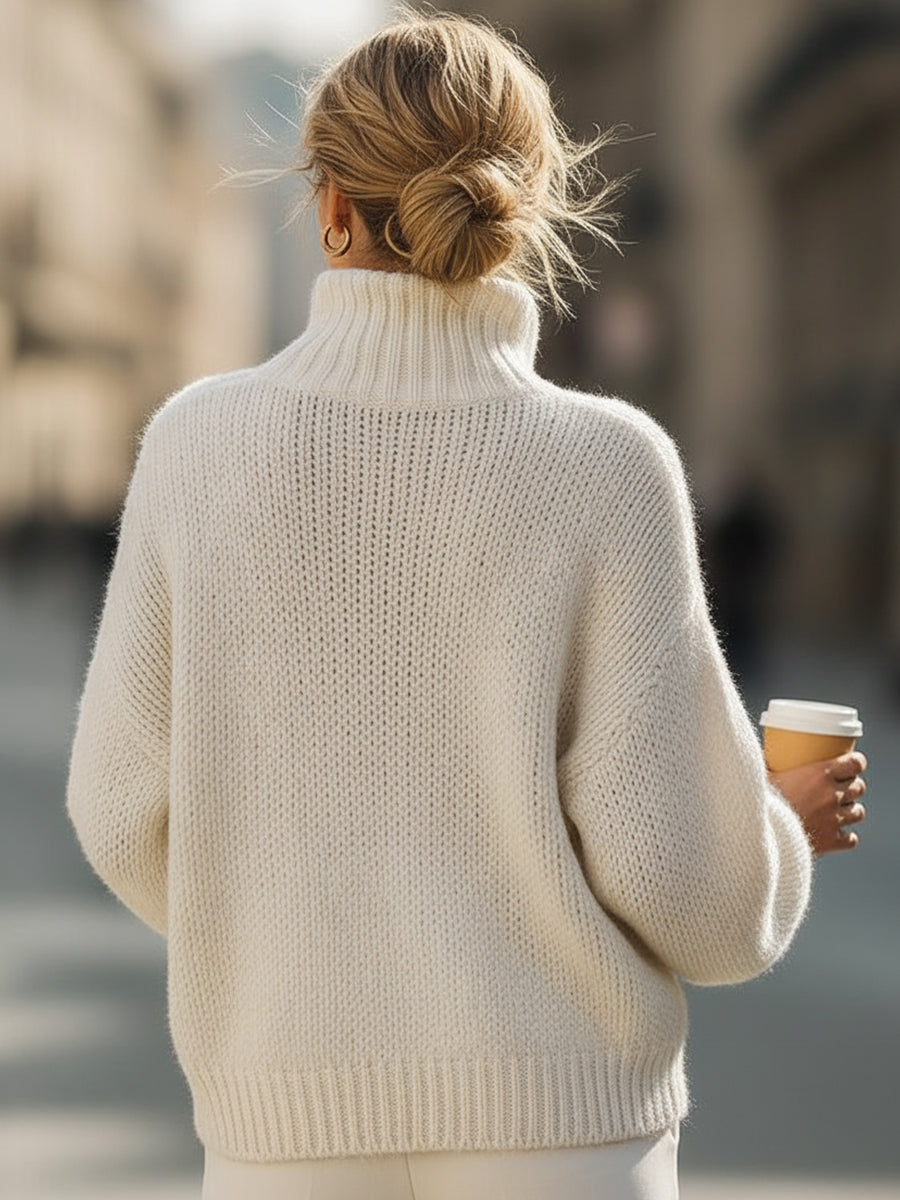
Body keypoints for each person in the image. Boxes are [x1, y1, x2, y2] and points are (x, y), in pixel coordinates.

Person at [65, 10, 867, 1200]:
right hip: (569, 1132)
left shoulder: (196, 448)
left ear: (329, 206)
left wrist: (286, 931)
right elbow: (688, 893)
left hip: (280, 1129)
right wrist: (783, 828)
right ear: (525, 206)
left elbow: (121, 807)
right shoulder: (611, 464)